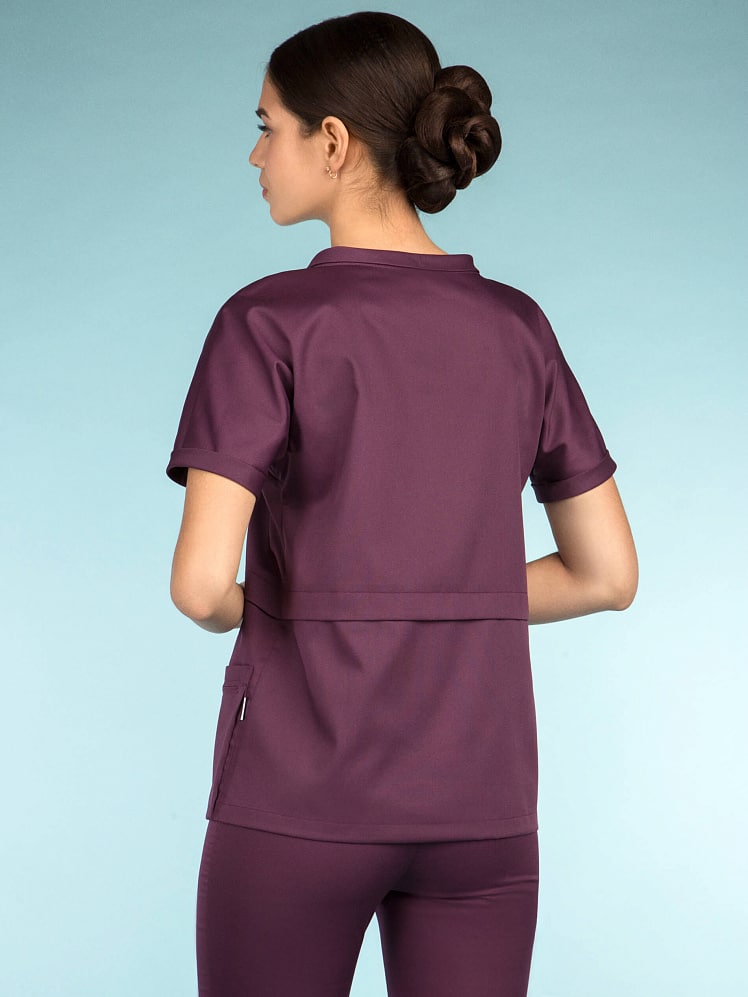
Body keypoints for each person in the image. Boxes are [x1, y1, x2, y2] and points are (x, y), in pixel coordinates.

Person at [165, 11, 638, 997]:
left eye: (267, 127)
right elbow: (607, 576)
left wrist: (301, 602)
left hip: (298, 801)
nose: (256, 155)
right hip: (483, 809)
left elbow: (202, 588)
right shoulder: (518, 328)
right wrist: (445, 592)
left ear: (332, 141)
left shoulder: (267, 322)